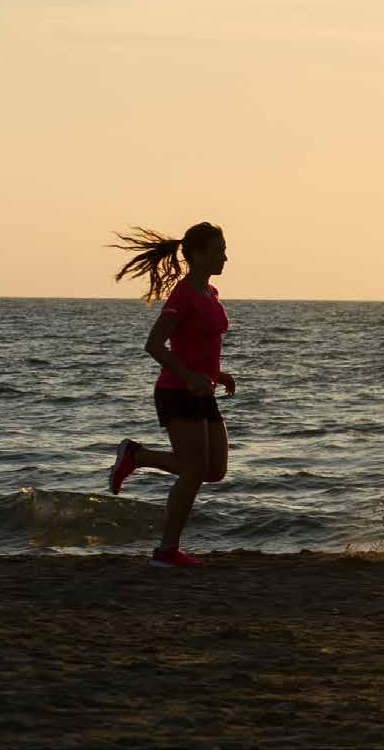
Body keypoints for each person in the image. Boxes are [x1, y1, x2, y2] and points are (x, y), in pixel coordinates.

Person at [107, 222, 235, 568]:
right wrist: (189, 376)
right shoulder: (183, 295)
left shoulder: (210, 293)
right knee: (193, 472)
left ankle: (137, 456)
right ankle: (166, 551)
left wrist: (216, 374)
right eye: (218, 250)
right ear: (197, 254)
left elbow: (200, 345)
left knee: (214, 470)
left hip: (202, 390)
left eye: (224, 250)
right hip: (177, 391)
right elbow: (154, 344)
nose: (225, 257)